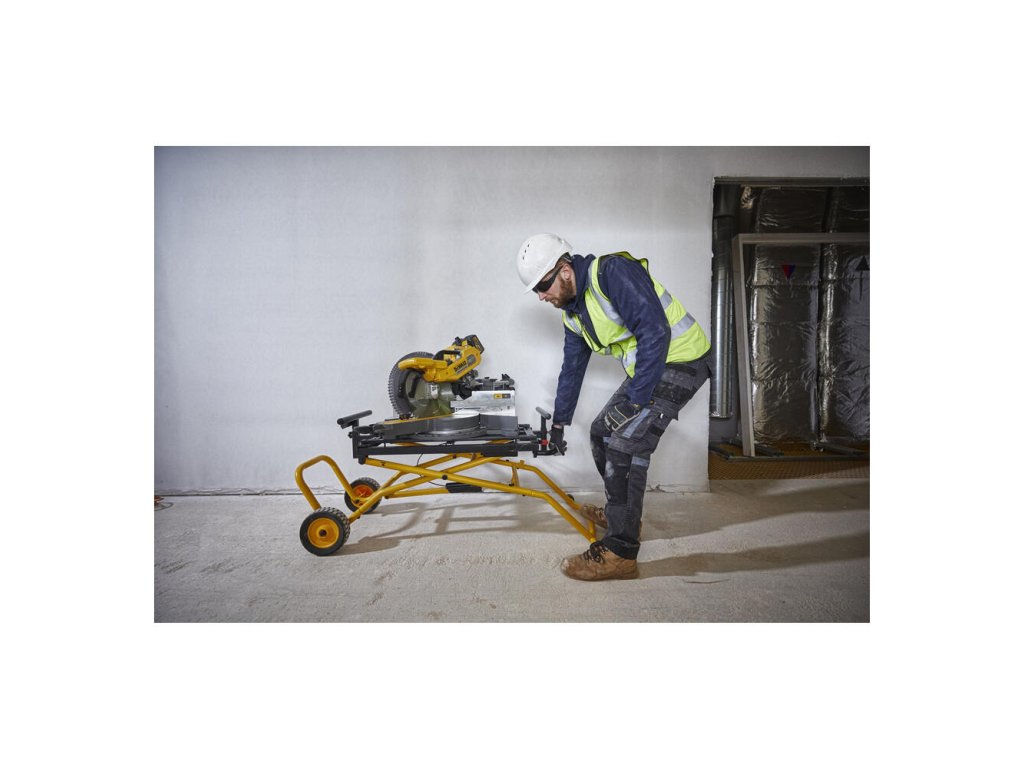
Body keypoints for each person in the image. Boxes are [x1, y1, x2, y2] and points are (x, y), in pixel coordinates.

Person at [517, 233, 712, 581]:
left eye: (543, 286)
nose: (541, 296)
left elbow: (655, 331)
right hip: (650, 368)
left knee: (626, 444)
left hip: (683, 359)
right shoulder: (573, 315)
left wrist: (636, 401)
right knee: (601, 432)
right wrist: (559, 423)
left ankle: (621, 552)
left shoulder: (612, 272)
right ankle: (622, 516)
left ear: (564, 270)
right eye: (536, 290)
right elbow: (572, 369)